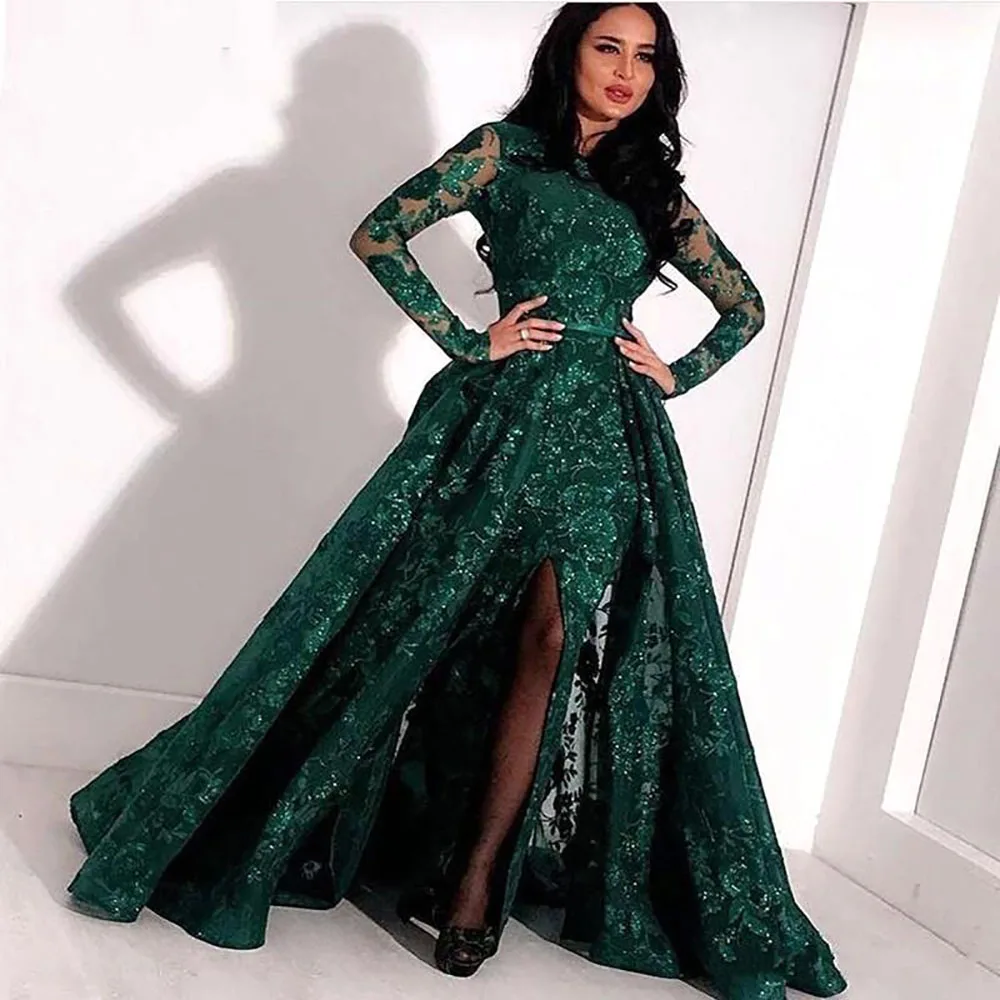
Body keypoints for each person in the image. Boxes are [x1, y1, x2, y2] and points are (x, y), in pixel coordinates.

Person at [64, 4, 848, 999]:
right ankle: (325, 821)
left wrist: (674, 371)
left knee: (552, 636)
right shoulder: (499, 154)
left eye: (646, 58)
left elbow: (744, 304)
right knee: (407, 619)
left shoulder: (652, 190)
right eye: (607, 47)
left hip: (606, 443)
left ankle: (476, 884)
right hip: (494, 427)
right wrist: (466, 338)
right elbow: (378, 233)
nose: (626, 72)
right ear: (567, 54)